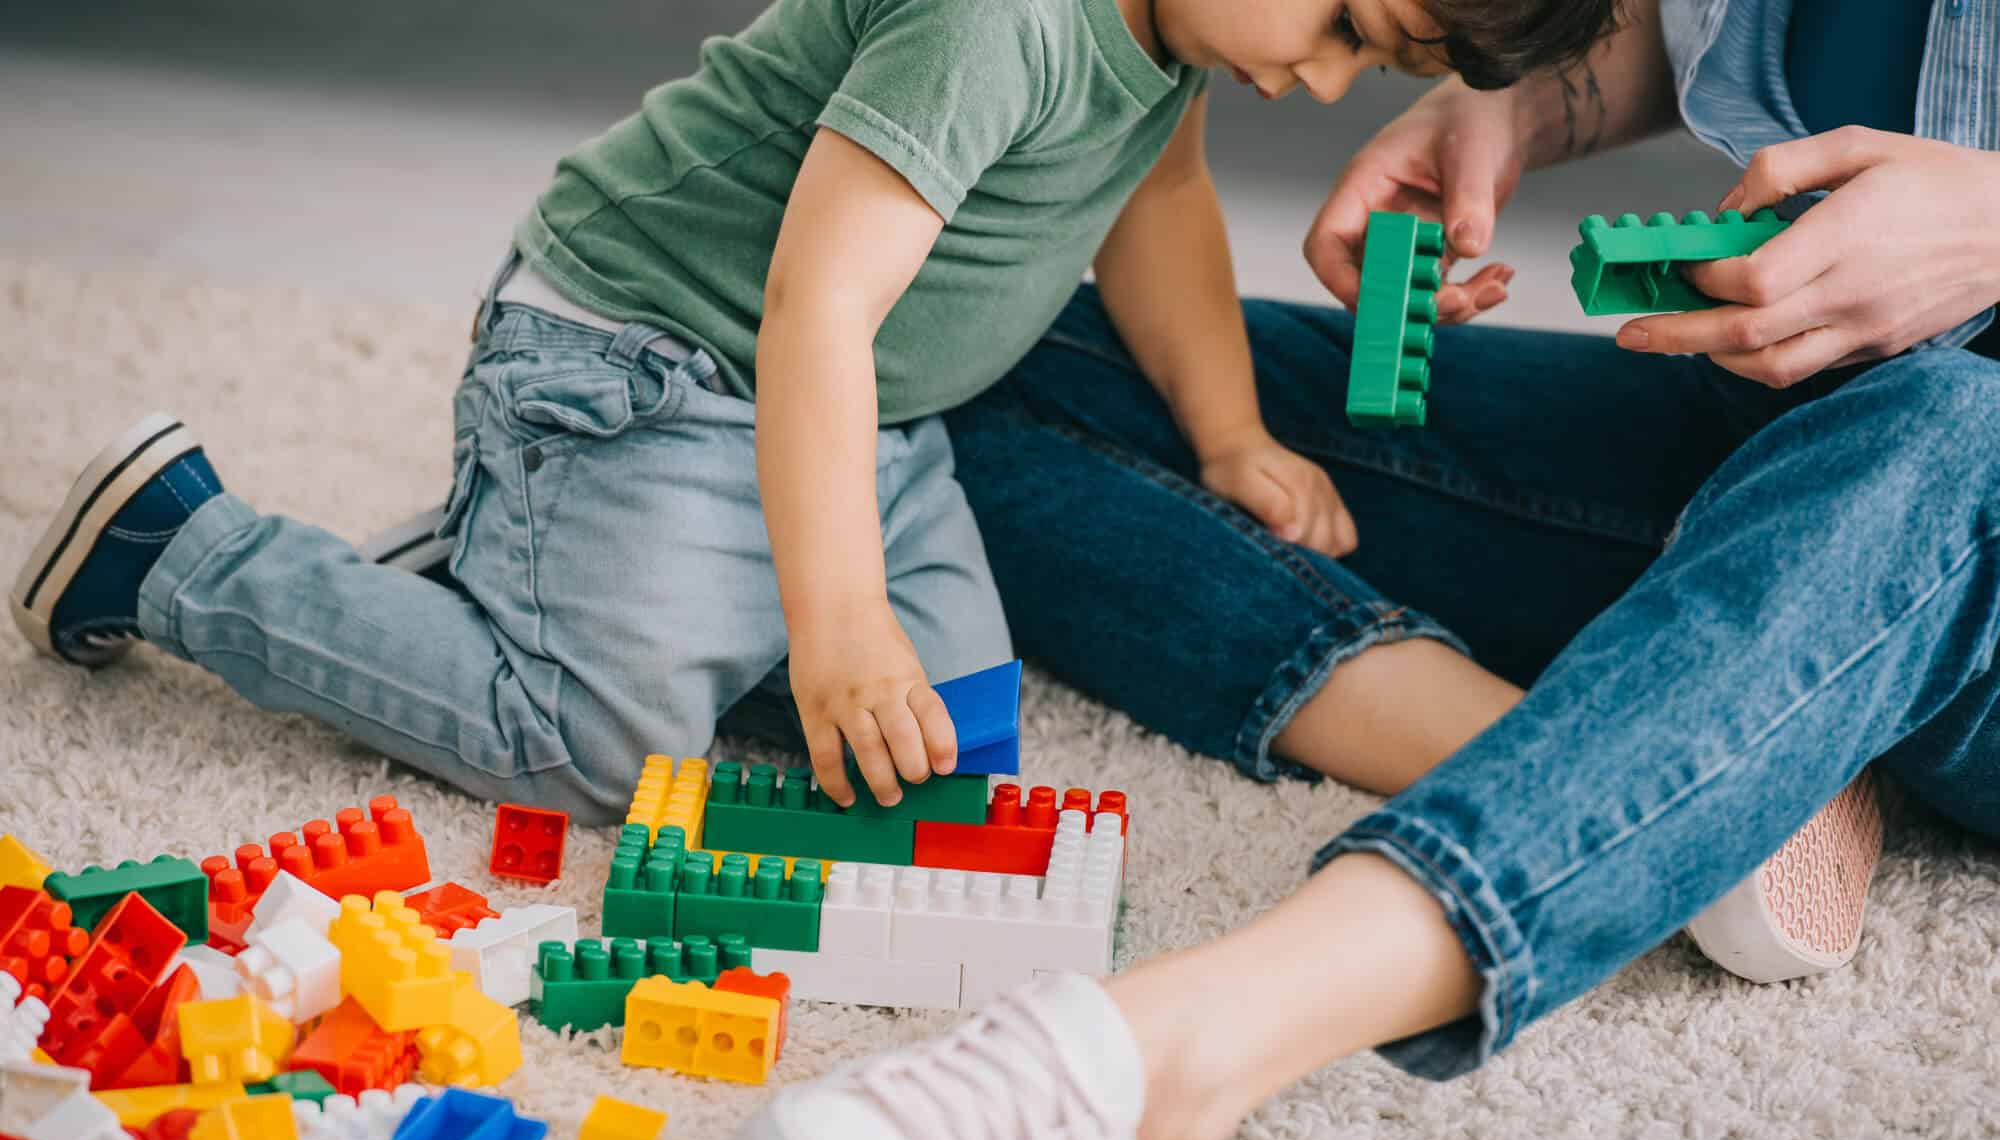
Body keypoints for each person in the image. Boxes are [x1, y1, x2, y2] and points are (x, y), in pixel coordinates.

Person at [721, 0, 2000, 1140]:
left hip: (1973, 463)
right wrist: (1505, 110)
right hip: (1777, 415)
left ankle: (1175, 1058)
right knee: (986, 351)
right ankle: (1702, 751)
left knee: (1954, 425)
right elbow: (1697, 32)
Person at [18, 0, 1533, 824]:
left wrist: (1229, 439)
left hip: (869, 417)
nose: (1325, 85)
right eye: (1343, 20)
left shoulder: (1179, 31)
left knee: (948, 746)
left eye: (1375, 59)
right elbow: (818, 308)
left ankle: (515, 578)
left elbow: (1163, 199)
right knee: (595, 749)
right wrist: (840, 620)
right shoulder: (993, 22)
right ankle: (180, 551)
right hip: (644, 367)